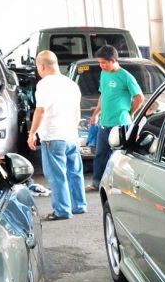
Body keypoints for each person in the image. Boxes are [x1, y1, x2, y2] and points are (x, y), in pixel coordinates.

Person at [27, 50, 87, 221]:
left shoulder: (45, 85)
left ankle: (62, 210)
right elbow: (77, 111)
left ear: (42, 66)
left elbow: (40, 110)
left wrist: (32, 133)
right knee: (74, 172)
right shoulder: (71, 84)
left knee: (57, 175)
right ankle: (79, 205)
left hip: (53, 137)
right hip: (71, 136)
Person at [86, 44, 144, 192]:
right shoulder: (104, 74)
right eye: (100, 62)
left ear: (113, 60)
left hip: (120, 124)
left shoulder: (125, 76)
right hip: (104, 123)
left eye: (104, 62)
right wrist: (96, 114)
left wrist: (130, 113)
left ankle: (120, 185)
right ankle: (96, 183)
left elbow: (139, 97)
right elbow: (103, 95)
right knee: (100, 155)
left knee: (120, 158)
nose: (101, 66)